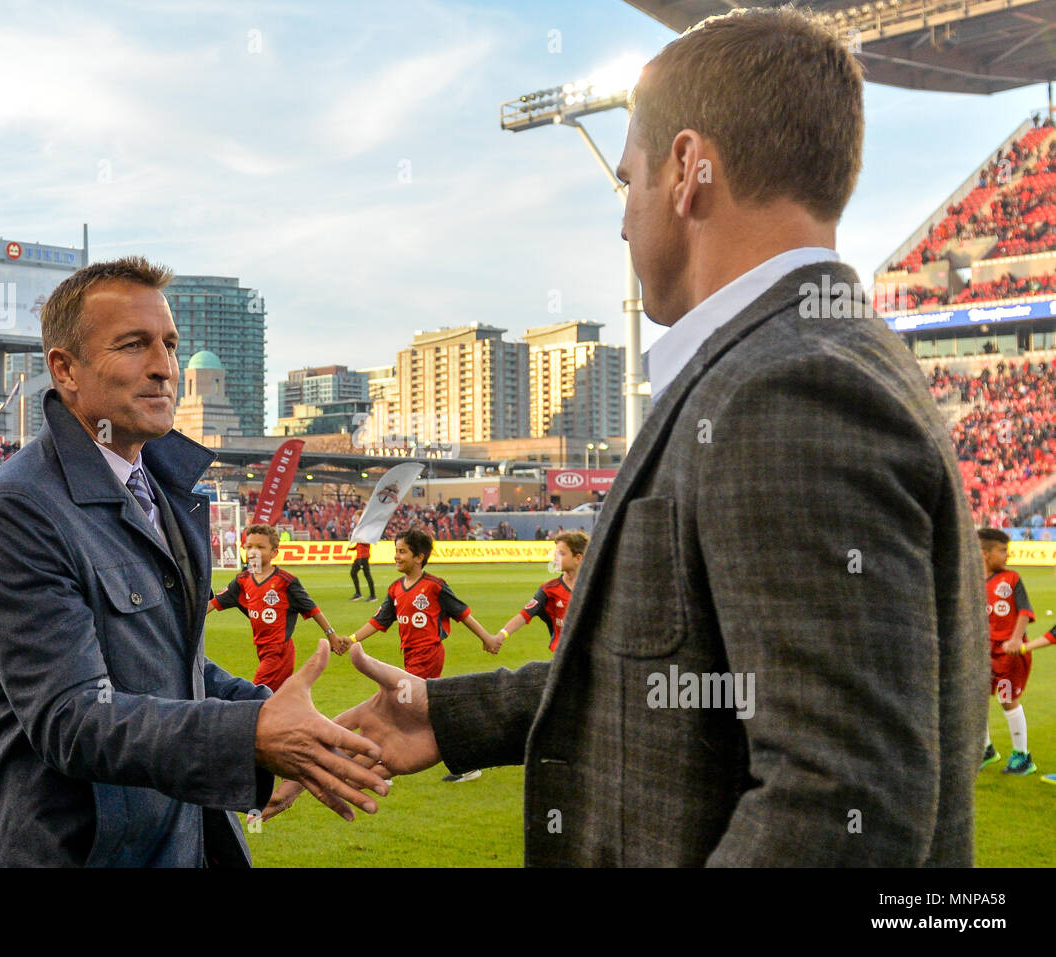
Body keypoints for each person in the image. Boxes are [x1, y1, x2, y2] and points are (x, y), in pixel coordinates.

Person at [322, 8, 985, 865]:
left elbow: (838, 803)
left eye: (626, 182)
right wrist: (451, 715)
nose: (624, 221)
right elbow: (687, 675)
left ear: (686, 171)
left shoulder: (790, 388)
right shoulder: (796, 358)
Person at [0, 256, 386, 867]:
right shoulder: (18, 509)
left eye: (168, 344)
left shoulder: (162, 487)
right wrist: (251, 738)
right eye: (133, 345)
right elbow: (72, 718)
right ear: (66, 370)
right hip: (78, 852)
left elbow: (172, 668)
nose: (163, 366)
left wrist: (278, 718)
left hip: (183, 839)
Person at [206, 523, 348, 692]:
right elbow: (214, 603)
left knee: (256, 697)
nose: (253, 551)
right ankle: (296, 717)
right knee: (278, 698)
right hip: (262, 649)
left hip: (279, 651)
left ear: (274, 552)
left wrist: (331, 635)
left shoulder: (285, 581)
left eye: (260, 547)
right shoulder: (242, 581)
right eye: (249, 546)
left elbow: (312, 609)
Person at [346, 528, 501, 678]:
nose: (396, 556)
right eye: (396, 551)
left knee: (407, 698)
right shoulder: (395, 588)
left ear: (419, 558)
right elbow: (379, 620)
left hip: (428, 653)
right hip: (409, 653)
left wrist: (487, 638)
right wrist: (352, 639)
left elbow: (462, 613)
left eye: (402, 551)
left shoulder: (434, 586)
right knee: (421, 700)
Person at [979, 528, 1044, 775]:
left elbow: (1025, 611)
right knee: (977, 698)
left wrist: (1016, 639)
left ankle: (1022, 756)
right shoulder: (974, 581)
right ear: (985, 554)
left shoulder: (1012, 579)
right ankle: (985, 749)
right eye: (1003, 550)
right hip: (983, 652)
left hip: (1009, 655)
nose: (1007, 555)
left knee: (1007, 699)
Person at [495, 531, 588, 653]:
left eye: (561, 554)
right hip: (563, 659)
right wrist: (501, 636)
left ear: (578, 558)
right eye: (556, 553)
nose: (556, 558)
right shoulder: (549, 589)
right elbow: (525, 614)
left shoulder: (596, 587)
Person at [348, 532, 375, 602]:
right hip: (359, 557)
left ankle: (373, 596)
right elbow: (359, 545)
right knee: (353, 573)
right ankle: (358, 593)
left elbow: (365, 543)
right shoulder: (361, 534)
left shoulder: (365, 535)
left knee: (367, 575)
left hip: (363, 557)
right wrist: (351, 548)